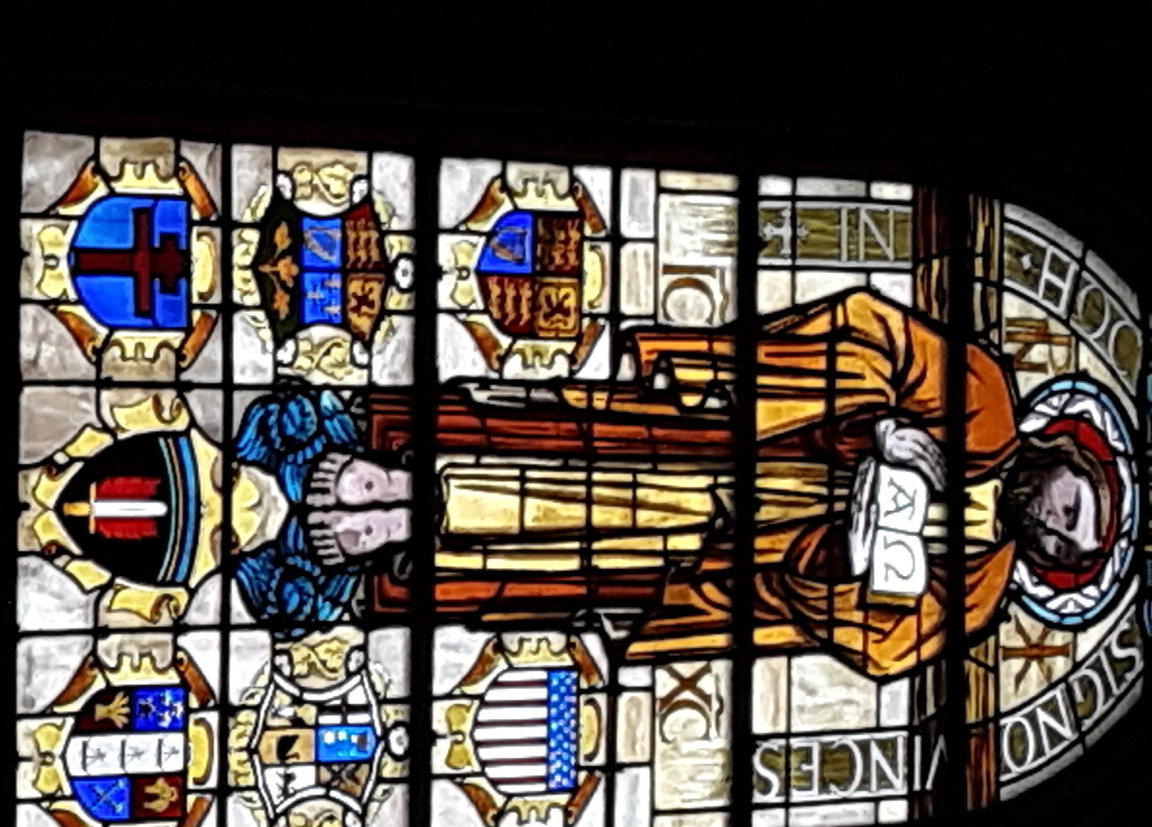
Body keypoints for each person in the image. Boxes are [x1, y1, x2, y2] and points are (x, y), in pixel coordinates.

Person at [230, 287, 1119, 677]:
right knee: (571, 441)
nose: (1052, 527)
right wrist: (888, 424)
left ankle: (394, 533)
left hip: (746, 552)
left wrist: (850, 564)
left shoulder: (979, 593)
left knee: (579, 549)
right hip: (736, 433)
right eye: (1070, 506)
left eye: (1064, 545)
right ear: (1064, 456)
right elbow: (869, 330)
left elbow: (884, 646)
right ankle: (390, 470)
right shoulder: (984, 402)